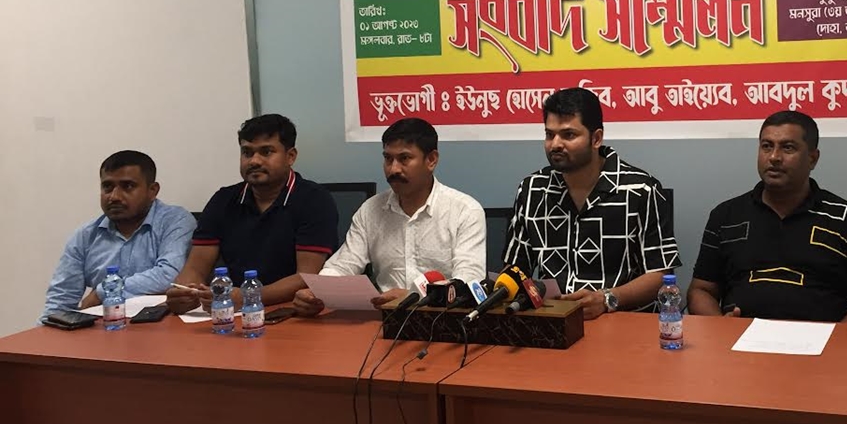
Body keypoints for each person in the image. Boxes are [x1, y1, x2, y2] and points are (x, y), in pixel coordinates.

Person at [687, 111, 847, 322]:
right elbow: (701, 291)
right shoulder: (726, 216)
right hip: (739, 338)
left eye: (788, 147)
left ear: (813, 158)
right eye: (767, 146)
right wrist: (721, 327)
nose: (774, 157)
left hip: (822, 340)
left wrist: (836, 339)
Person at [503, 87, 680, 320]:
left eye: (568, 135)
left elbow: (661, 275)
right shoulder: (532, 190)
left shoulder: (641, 190)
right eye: (549, 134)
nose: (555, 144)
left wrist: (607, 299)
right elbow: (515, 269)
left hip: (622, 321)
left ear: (596, 138)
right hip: (554, 321)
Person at [292, 118, 486, 316]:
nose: (393, 169)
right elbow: (343, 265)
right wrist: (317, 292)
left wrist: (413, 296)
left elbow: (469, 281)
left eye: (404, 159)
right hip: (383, 319)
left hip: (443, 319)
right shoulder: (371, 210)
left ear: (431, 160)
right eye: (388, 159)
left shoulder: (465, 211)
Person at [164, 114, 338, 315]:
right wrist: (183, 292)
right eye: (247, 152)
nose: (254, 161)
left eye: (266, 152)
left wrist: (249, 296)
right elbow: (195, 268)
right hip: (234, 312)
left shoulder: (314, 200)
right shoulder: (223, 200)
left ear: (290, 156)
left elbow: (306, 276)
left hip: (294, 311)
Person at [42, 151, 196, 321]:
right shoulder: (86, 236)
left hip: (161, 327)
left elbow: (170, 275)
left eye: (127, 186)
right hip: (103, 328)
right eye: (107, 187)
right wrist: (45, 331)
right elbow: (60, 299)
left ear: (152, 191)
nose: (114, 196)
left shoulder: (175, 221)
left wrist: (102, 292)